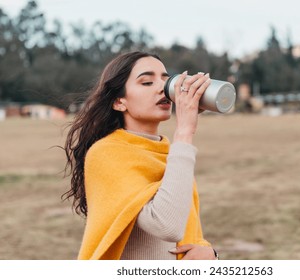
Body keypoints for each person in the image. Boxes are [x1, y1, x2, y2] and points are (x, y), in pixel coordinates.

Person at [63, 51, 218, 260]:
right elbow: (167, 225)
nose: (162, 88)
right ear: (119, 102)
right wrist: (184, 132)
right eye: (146, 82)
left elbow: (182, 238)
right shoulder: (105, 153)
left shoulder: (168, 153)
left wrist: (210, 254)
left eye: (165, 80)